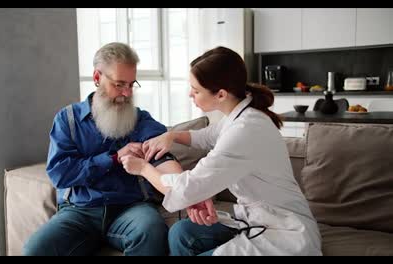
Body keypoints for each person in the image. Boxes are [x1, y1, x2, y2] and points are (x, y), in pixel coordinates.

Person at [120, 46, 322, 256]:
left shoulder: (245, 130)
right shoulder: (240, 116)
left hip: (284, 232)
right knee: (182, 232)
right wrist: (171, 135)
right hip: (256, 218)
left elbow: (183, 190)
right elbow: (207, 136)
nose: (190, 93)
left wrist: (142, 168)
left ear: (221, 94)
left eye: (196, 90)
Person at [23, 42, 184, 256]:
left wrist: (185, 185)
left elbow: (163, 160)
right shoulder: (67, 120)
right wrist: (114, 158)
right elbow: (60, 174)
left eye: (131, 84)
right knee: (35, 250)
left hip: (130, 208)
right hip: (79, 212)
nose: (126, 93)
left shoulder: (142, 120)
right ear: (97, 78)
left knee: (151, 230)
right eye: (119, 84)